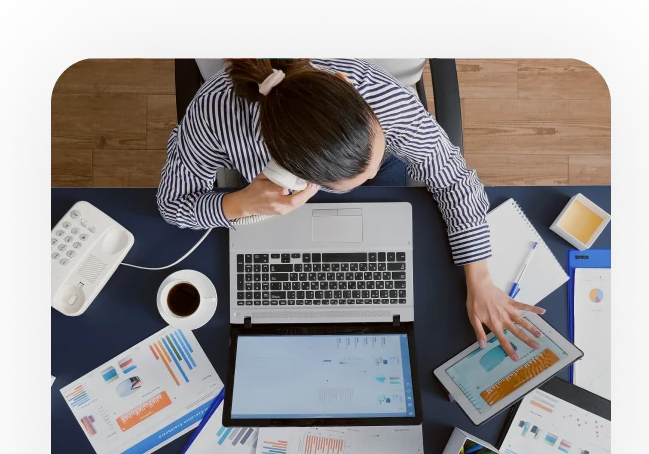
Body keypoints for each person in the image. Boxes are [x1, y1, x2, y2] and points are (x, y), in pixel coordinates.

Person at [156, 58, 545, 358]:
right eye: (338, 186)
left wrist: (480, 278)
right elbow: (172, 204)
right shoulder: (213, 116)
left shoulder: (382, 97)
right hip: (271, 197)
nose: (370, 175)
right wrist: (237, 203)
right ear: (281, 165)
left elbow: (451, 176)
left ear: (346, 86)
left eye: (371, 163)